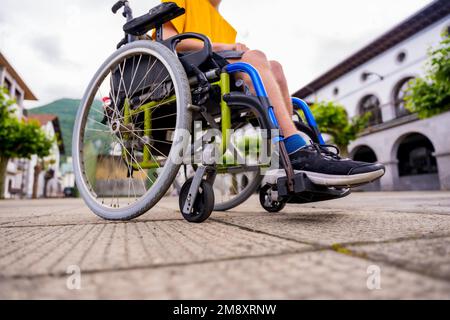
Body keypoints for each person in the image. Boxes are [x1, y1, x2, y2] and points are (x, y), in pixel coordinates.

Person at [159, 0, 385, 187]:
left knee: (274, 66)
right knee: (255, 57)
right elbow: (168, 40)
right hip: (187, 75)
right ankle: (295, 150)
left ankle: (293, 149)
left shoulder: (223, 24)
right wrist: (223, 46)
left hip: (217, 75)